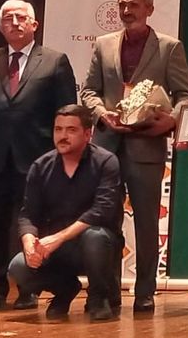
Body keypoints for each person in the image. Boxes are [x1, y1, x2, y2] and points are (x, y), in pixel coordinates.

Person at [80, 0, 188, 313]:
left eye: (133, 5)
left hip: (147, 146)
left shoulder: (169, 47)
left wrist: (170, 121)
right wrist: (102, 114)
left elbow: (186, 95)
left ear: (150, 9)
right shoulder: (103, 44)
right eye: (122, 5)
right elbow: (89, 91)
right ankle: (108, 291)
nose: (127, 11)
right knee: (105, 222)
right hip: (107, 147)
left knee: (146, 224)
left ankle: (145, 291)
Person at [0, 0, 77, 311]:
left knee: (33, 228)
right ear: (0, 27)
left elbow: (67, 114)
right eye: (8, 18)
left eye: (21, 17)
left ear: (34, 25)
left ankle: (30, 288)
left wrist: (63, 157)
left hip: (38, 161)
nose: (15, 23)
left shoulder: (55, 61)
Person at [8, 105, 123, 321]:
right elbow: (28, 214)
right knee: (18, 267)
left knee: (95, 238)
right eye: (58, 129)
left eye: (71, 130)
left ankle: (99, 297)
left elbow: (102, 211)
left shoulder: (106, 162)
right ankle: (65, 289)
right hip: (56, 247)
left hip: (96, 244)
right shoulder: (40, 166)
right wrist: (29, 241)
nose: (63, 136)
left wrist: (59, 238)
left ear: (87, 134)